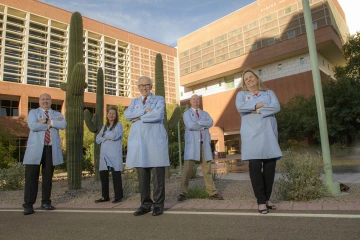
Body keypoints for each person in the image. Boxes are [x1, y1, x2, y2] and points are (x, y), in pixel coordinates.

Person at [235, 69, 282, 214]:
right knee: (255, 169)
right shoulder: (241, 95)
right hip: (251, 135)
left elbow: (276, 107)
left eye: (251, 77)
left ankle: (267, 199)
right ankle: (260, 201)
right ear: (244, 83)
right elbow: (240, 107)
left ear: (257, 78)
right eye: (246, 79)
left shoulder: (269, 93)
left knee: (270, 169)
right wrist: (256, 105)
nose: (249, 80)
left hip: (268, 135)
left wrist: (258, 111)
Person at [124, 76, 169, 216]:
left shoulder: (159, 99)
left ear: (151, 86)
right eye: (141, 85)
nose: (144, 87)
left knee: (157, 176)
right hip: (139, 143)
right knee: (142, 176)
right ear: (138, 87)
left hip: (154, 141)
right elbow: (127, 115)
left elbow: (158, 115)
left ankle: (158, 204)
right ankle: (145, 204)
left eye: (147, 85)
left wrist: (138, 118)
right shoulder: (134, 101)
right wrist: (144, 111)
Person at [22, 93, 67, 215]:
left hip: (50, 149)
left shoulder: (57, 114)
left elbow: (63, 124)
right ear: (39, 101)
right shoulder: (33, 113)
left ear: (51, 101)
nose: (45, 101)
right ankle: (28, 205)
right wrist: (52, 124)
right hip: (35, 149)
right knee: (31, 178)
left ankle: (46, 202)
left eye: (47, 99)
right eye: (43, 99)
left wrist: (47, 121)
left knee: (47, 178)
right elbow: (33, 126)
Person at [177, 94, 223, 202]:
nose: (196, 101)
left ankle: (212, 192)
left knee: (207, 170)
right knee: (187, 170)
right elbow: (190, 126)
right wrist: (204, 126)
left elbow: (210, 122)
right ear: (190, 102)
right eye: (194, 99)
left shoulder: (205, 113)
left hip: (204, 144)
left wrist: (199, 123)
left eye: (197, 99)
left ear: (199, 101)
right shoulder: (186, 114)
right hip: (192, 145)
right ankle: (183, 192)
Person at [95, 106, 124, 204]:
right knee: (103, 175)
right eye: (110, 113)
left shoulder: (118, 125)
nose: (111, 115)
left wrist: (104, 136)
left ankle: (118, 196)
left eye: (113, 113)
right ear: (107, 115)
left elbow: (115, 136)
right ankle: (105, 196)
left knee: (116, 175)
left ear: (116, 116)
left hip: (114, 154)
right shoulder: (104, 127)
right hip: (104, 154)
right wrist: (107, 136)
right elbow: (97, 139)